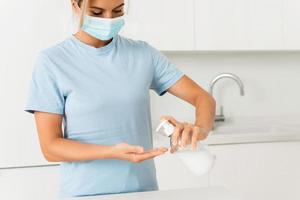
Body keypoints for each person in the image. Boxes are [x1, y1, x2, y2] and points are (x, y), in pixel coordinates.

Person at [24, 0, 216, 198]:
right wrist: (111, 152)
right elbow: (50, 147)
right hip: (83, 194)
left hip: (143, 192)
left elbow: (203, 98)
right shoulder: (52, 62)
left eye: (117, 11)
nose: (109, 20)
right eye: (97, 12)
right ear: (75, 5)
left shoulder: (143, 54)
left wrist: (199, 131)